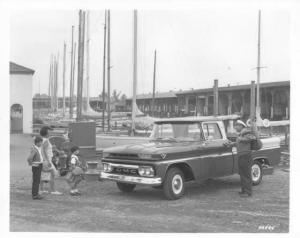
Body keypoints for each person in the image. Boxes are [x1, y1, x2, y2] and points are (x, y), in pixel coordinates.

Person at [224, 120, 257, 197]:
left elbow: (252, 138)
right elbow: (240, 143)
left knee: (246, 174)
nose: (235, 127)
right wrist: (232, 144)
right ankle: (244, 190)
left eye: (236, 125)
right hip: (242, 156)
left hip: (245, 155)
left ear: (241, 126)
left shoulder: (246, 132)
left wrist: (240, 139)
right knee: (242, 174)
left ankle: (248, 192)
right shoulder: (241, 133)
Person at [40, 126, 62, 195]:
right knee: (53, 174)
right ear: (46, 132)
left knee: (42, 174)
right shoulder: (46, 140)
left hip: (43, 160)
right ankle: (52, 190)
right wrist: (47, 160)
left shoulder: (41, 139)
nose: (50, 133)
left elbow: (43, 150)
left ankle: (42, 190)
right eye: (49, 131)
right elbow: (43, 150)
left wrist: (53, 149)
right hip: (46, 160)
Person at [27, 136, 44, 200]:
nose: (41, 144)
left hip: (38, 165)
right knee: (36, 181)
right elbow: (29, 158)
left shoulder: (37, 148)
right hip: (37, 166)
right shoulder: (34, 149)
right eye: (41, 142)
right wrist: (32, 164)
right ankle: (35, 195)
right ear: (37, 143)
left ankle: (35, 193)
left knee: (36, 180)